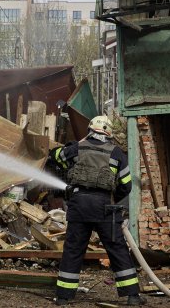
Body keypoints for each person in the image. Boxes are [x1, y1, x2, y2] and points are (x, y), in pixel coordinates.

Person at [48, 115, 144, 306]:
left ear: (90, 130)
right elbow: (126, 185)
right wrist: (112, 198)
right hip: (105, 208)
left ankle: (63, 297)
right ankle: (132, 295)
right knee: (117, 249)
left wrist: (68, 147)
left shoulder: (77, 148)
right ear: (109, 133)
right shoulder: (117, 153)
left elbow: (56, 157)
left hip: (79, 206)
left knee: (74, 250)